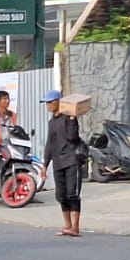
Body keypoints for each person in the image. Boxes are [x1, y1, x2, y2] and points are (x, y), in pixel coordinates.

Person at [44, 89, 84, 237]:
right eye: (46, 102)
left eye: (49, 102)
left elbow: (73, 138)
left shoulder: (69, 118)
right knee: (61, 195)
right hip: (58, 162)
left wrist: (73, 119)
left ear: (58, 102)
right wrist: (44, 164)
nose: (47, 105)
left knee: (72, 194)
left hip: (71, 160)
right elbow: (49, 143)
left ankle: (75, 227)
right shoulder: (52, 122)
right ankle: (67, 225)